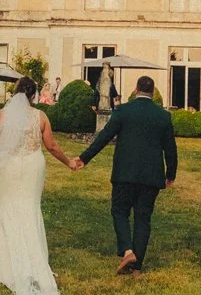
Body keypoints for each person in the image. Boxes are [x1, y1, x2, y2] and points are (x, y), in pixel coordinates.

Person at [0, 76, 79, 295]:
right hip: (33, 165)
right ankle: (35, 262)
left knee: (7, 209)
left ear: (15, 93)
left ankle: (7, 265)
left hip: (10, 167)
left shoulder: (1, 114)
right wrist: (69, 162)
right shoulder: (40, 117)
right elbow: (52, 146)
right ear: (33, 96)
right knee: (30, 210)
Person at [72, 76, 178, 275]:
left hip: (124, 173)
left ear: (136, 89)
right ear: (153, 92)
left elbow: (104, 137)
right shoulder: (163, 116)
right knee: (143, 218)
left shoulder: (123, 111)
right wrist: (170, 173)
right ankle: (137, 267)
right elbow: (170, 149)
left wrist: (84, 158)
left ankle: (128, 251)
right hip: (151, 176)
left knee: (120, 212)